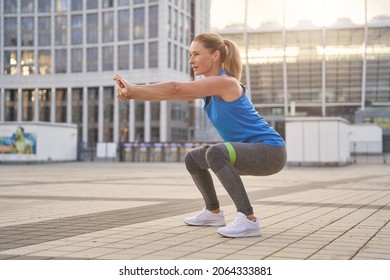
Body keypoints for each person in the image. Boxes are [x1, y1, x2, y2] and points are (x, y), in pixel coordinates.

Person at [114, 32, 287, 238]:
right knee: (194, 158)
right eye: (190, 55)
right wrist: (133, 93)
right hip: (254, 151)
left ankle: (248, 219)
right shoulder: (209, 89)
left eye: (196, 54)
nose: (191, 60)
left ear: (215, 56)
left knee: (215, 153)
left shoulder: (225, 82)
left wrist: (133, 89)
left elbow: (174, 88)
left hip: (271, 151)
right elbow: (170, 93)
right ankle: (213, 212)